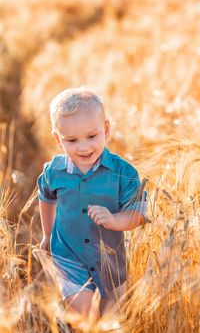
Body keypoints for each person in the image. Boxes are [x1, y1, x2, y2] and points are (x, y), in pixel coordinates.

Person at [37, 87, 147, 320]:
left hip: (111, 263)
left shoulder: (123, 172)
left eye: (91, 136)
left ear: (106, 130)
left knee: (112, 319)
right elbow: (45, 197)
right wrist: (48, 235)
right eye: (72, 140)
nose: (84, 147)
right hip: (69, 256)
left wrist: (115, 220)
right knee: (85, 316)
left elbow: (138, 213)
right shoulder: (53, 172)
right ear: (58, 139)